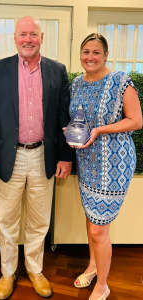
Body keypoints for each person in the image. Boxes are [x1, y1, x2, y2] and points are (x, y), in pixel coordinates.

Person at [0, 16, 73, 300]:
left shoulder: (57, 71)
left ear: (42, 37)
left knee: (39, 219)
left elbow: (64, 118)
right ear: (14, 38)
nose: (28, 39)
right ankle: (8, 272)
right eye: (23, 34)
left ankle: (34, 269)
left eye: (33, 34)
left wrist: (65, 156)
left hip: (44, 155)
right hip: (9, 157)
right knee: (7, 220)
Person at [68, 33, 142, 300]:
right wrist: (72, 131)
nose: (90, 57)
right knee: (92, 222)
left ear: (106, 55)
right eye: (86, 51)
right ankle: (92, 266)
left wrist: (100, 130)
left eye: (96, 52)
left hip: (114, 164)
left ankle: (103, 285)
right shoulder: (76, 83)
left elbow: (135, 120)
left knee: (99, 228)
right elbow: (78, 119)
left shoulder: (120, 81)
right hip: (87, 162)